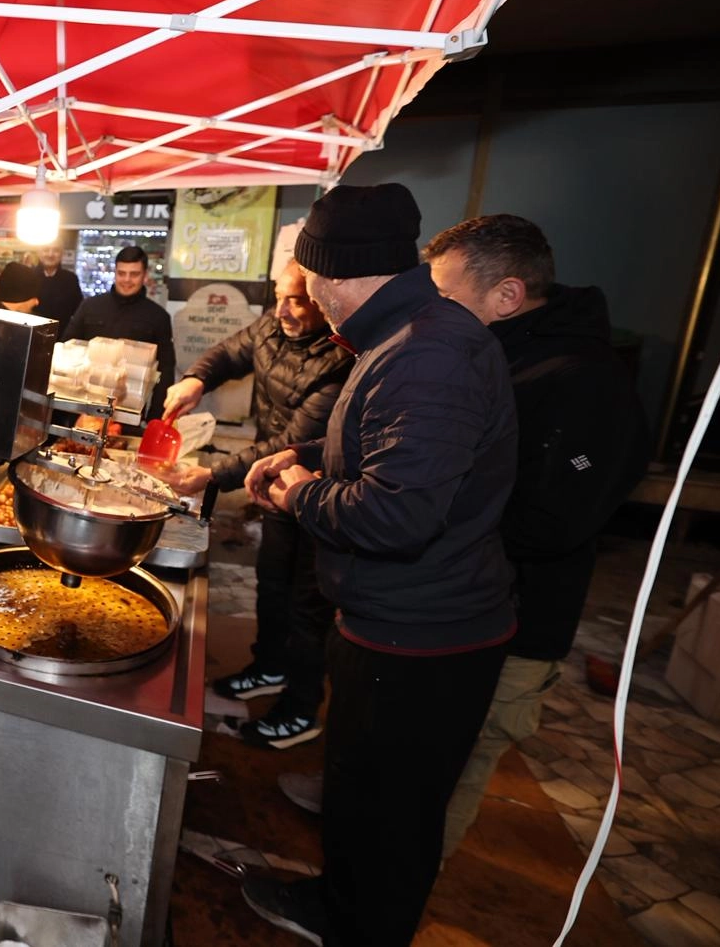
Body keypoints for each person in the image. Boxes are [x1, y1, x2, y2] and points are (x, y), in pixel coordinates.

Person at [237, 183, 517, 947]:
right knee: (360, 795)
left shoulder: (427, 354)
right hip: (395, 620)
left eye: (308, 277)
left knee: (391, 814)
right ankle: (338, 904)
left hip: (424, 637)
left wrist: (300, 494)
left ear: (329, 275)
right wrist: (303, 455)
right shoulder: (405, 333)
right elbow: (391, 450)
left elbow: (397, 513)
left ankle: (361, 929)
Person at [424, 214, 650, 858]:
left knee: (454, 770)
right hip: (454, 604)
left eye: (445, 296)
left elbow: (555, 518)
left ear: (508, 295)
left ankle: (395, 892)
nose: (433, 310)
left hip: (514, 623)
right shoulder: (496, 352)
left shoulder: (582, 380)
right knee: (415, 751)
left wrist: (428, 534)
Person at [159, 260, 352, 748]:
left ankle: (301, 709)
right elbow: (231, 352)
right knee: (271, 584)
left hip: (320, 493)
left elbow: (291, 441)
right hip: (276, 488)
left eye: (297, 300)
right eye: (279, 296)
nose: (282, 310)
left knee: (307, 606)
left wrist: (212, 475)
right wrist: (197, 378)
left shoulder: (341, 357)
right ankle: (269, 667)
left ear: (323, 299)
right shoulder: (273, 324)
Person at [63, 245, 176, 420]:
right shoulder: (90, 307)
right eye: (121, 273)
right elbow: (67, 349)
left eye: (134, 274)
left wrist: (155, 417)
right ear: (114, 272)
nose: (127, 279)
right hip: (83, 406)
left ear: (145, 275)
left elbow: (166, 370)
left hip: (129, 411)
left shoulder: (158, 317)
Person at [34, 244, 84, 336]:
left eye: (56, 250)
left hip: (62, 335)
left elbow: (78, 310)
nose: (50, 254)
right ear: (39, 253)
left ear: (62, 254)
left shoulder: (70, 279)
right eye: (46, 250)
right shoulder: (28, 276)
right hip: (33, 334)